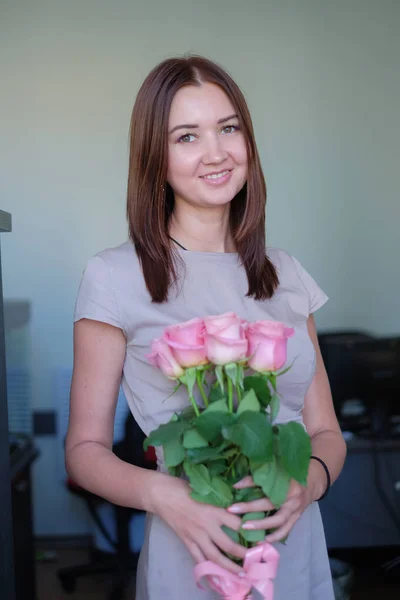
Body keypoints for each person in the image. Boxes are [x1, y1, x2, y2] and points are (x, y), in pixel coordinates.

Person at [66, 55, 346, 600]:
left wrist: (306, 482)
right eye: (187, 136)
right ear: (155, 157)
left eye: (228, 128)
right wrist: (166, 497)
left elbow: (327, 434)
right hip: (191, 550)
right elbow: (85, 448)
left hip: (292, 546)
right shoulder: (113, 277)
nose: (216, 153)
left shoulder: (286, 275)